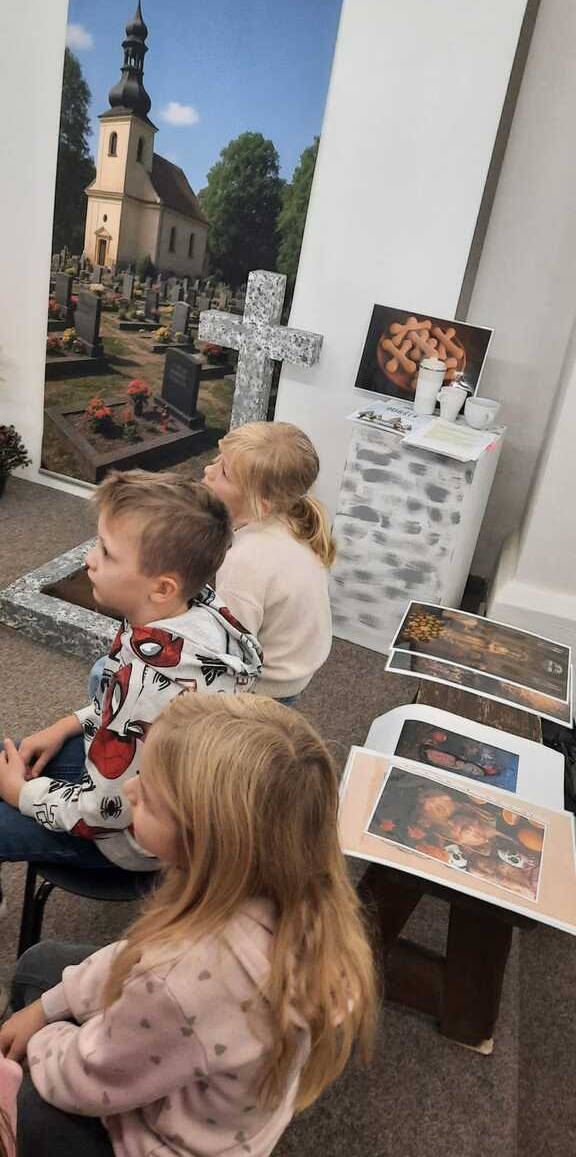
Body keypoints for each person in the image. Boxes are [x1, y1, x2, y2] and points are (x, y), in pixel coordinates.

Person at [2, 693, 376, 1157]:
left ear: (207, 842)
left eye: (150, 797)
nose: (129, 790)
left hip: (165, 1140)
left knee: (24, 1100)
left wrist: (40, 1040)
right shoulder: (287, 889)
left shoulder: (184, 975)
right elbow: (136, 957)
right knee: (42, 968)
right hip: (214, 1088)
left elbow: (89, 1077)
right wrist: (49, 1006)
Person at [0, 470, 262, 880]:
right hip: (120, 774)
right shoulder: (190, 612)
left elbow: (104, 814)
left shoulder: (147, 681)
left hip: (128, 839)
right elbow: (125, 709)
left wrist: (23, 795)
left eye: (106, 552)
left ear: (162, 588)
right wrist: (67, 725)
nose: (89, 559)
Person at [203, 422, 335, 703]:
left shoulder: (244, 562)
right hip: (296, 668)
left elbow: (232, 651)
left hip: (265, 687)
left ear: (260, 503)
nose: (208, 470)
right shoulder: (294, 522)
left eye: (224, 472)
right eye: (217, 459)